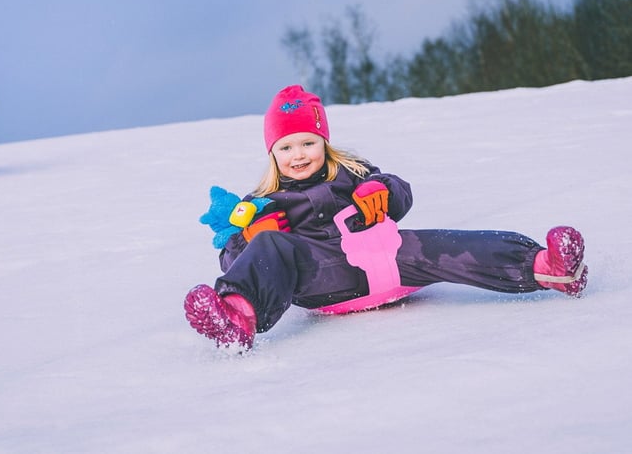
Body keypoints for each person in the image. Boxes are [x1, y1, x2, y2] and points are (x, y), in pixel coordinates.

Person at [184, 85, 588, 351]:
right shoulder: (260, 203)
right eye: (286, 147)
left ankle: (548, 267)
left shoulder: (351, 171)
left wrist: (380, 190)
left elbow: (400, 193)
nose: (299, 154)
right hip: (319, 276)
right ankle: (237, 318)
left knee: (448, 244)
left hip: (385, 257)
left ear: (324, 142)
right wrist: (249, 238)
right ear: (272, 154)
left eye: (308, 142)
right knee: (271, 245)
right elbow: (232, 259)